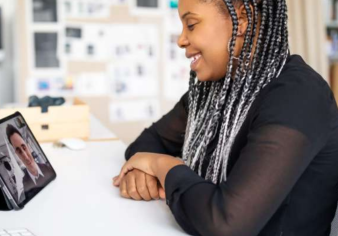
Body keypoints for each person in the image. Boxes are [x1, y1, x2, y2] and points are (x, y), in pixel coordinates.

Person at [113, 0, 338, 235]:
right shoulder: (214, 91)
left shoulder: (299, 96)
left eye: (191, 24)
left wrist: (162, 166)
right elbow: (148, 142)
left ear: (242, 19)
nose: (181, 40)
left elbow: (226, 224)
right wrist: (142, 169)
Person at [6, 124, 52, 201]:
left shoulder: (49, 169)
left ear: (28, 146)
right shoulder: (24, 186)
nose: (26, 157)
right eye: (19, 151)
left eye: (24, 147)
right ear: (16, 154)